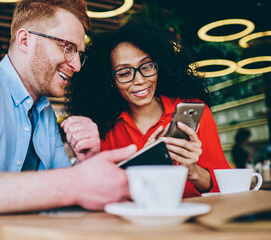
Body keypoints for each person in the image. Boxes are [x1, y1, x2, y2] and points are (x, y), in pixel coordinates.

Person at [0, 1, 137, 239]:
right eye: (68, 47)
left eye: (79, 54)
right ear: (25, 40)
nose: (77, 65)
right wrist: (74, 182)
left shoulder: (45, 114)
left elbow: (64, 202)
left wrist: (85, 162)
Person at [66, 22, 231, 198]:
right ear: (110, 81)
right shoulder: (102, 130)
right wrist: (147, 161)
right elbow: (96, 191)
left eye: (146, 67)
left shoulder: (196, 113)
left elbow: (226, 186)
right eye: (124, 73)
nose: (139, 80)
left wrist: (193, 171)